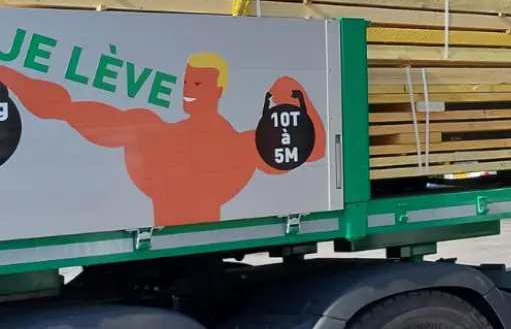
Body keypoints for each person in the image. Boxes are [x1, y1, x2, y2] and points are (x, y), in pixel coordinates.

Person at [0, 53, 325, 227]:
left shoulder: (242, 145)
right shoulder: (149, 128)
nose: (187, 90)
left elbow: (309, 152)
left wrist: (294, 90)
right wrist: (8, 74)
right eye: (185, 81)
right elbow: (60, 107)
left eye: (198, 83)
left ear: (218, 91)